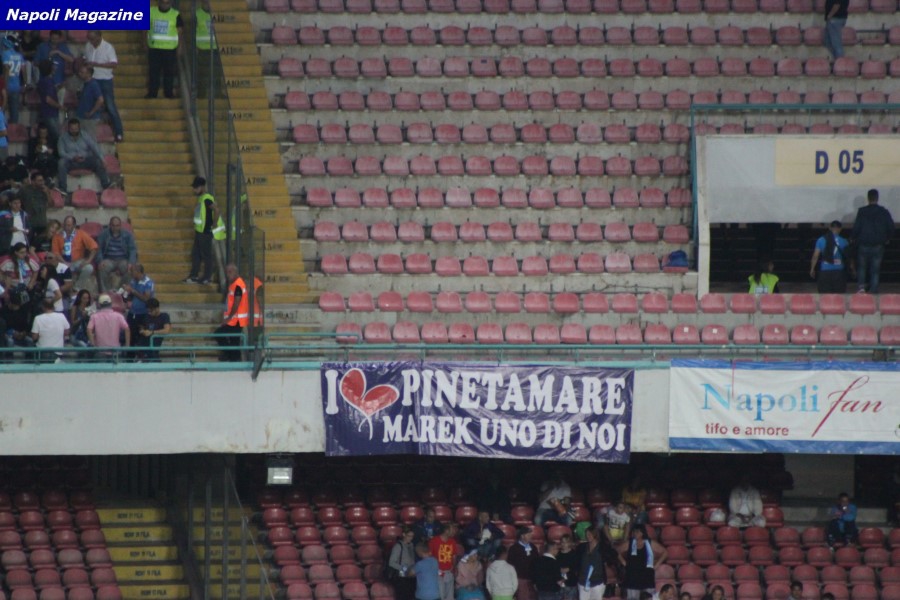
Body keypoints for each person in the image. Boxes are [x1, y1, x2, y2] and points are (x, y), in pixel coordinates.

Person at [84, 31, 124, 142]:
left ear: (99, 37)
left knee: (110, 106)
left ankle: (119, 132)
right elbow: (86, 58)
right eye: (89, 39)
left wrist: (97, 64)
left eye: (93, 39)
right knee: (89, 105)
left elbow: (114, 64)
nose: (91, 41)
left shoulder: (108, 48)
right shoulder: (88, 46)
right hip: (91, 79)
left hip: (105, 80)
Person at [852, 189, 894, 294]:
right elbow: (891, 227)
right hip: (878, 245)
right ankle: (873, 289)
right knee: (875, 269)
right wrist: (887, 238)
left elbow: (857, 227)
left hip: (863, 244)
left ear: (868, 198)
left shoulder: (862, 211)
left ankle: (861, 288)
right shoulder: (884, 212)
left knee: (862, 268)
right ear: (877, 198)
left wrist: (852, 237)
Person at [185, 176, 225, 285]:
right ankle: (194, 275)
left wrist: (214, 223)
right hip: (199, 231)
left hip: (205, 232)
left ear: (202, 187)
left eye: (196, 187)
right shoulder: (202, 198)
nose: (194, 190)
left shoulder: (207, 198)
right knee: (196, 254)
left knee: (206, 255)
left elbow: (216, 210)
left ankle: (207, 277)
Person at [57, 118, 111, 193]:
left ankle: (106, 185)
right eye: (72, 129)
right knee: (61, 163)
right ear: (68, 128)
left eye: (76, 129)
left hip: (85, 160)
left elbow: (94, 147)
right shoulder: (62, 138)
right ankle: (63, 189)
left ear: (79, 128)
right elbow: (61, 153)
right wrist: (73, 158)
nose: (74, 131)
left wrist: (102, 159)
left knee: (98, 161)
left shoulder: (85, 135)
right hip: (71, 162)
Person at [146, 0, 184, 99]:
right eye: (163, 2)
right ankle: (152, 93)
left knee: (169, 72)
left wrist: (180, 47)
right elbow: (144, 29)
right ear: (159, 3)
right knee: (154, 72)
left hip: (170, 49)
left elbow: (180, 32)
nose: (165, 5)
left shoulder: (175, 14)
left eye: (167, 3)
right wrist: (144, 42)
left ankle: (168, 93)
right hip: (154, 48)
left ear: (171, 4)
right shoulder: (151, 12)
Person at [52, 215, 98, 294]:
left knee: (89, 268)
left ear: (74, 225)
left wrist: (88, 261)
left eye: (69, 225)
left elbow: (94, 247)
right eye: (65, 225)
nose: (66, 227)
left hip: (77, 261)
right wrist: (64, 262)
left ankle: (77, 288)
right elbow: (55, 252)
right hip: (62, 262)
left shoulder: (81, 233)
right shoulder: (57, 236)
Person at [619, 525, 667, 600]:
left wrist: (656, 565)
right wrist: (623, 562)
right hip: (632, 578)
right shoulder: (630, 543)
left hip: (647, 577)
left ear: (642, 533)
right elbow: (616, 551)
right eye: (634, 532)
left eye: (637, 532)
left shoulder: (650, 543)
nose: (635, 533)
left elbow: (664, 552)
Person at [215, 264, 247, 361]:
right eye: (227, 272)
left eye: (230, 272)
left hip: (236, 320)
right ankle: (234, 358)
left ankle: (229, 355)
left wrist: (228, 319)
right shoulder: (234, 284)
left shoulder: (238, 285)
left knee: (219, 334)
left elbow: (236, 303)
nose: (228, 275)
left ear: (236, 272)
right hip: (235, 319)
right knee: (234, 341)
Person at [97, 217, 137, 292]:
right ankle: (106, 292)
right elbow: (98, 248)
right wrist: (100, 260)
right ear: (110, 225)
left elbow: (132, 249)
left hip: (123, 259)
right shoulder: (103, 234)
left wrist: (131, 262)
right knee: (102, 268)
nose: (115, 228)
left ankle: (121, 290)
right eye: (113, 225)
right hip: (109, 259)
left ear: (120, 225)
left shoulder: (127, 235)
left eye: (117, 225)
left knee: (130, 269)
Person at [809, 220, 849, 293]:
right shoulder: (844, 241)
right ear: (840, 229)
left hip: (825, 271)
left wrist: (812, 268)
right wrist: (853, 269)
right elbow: (849, 257)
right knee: (839, 295)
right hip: (839, 271)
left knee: (824, 295)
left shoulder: (821, 240)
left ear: (830, 228)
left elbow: (815, 256)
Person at [122, 263, 154, 343]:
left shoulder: (148, 282)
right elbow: (131, 296)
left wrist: (132, 290)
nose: (131, 273)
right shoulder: (133, 281)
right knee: (130, 336)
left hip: (144, 314)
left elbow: (146, 298)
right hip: (132, 313)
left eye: (132, 271)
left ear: (138, 271)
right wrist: (126, 293)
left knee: (142, 338)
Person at [428, 523, 460, 600]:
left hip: (449, 571)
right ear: (446, 530)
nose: (454, 531)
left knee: (450, 596)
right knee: (440, 595)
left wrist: (454, 567)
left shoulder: (452, 541)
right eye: (452, 529)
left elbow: (454, 556)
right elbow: (429, 556)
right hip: (438, 572)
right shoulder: (434, 541)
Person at [576, 526, 608, 600]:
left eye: (590, 534)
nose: (588, 536)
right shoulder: (582, 547)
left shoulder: (603, 547)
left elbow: (613, 556)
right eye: (586, 534)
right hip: (583, 581)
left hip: (597, 581)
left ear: (595, 534)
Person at [507, 527, 537, 600]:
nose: (530, 536)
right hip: (520, 579)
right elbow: (510, 564)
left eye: (530, 534)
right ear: (522, 536)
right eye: (528, 534)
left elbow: (537, 561)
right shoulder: (514, 548)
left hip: (532, 579)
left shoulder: (533, 547)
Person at [74, 65, 104, 137]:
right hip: (81, 116)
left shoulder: (93, 85)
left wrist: (91, 112)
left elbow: (100, 100)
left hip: (90, 119)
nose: (79, 74)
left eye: (82, 72)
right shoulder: (84, 84)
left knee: (90, 139)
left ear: (89, 74)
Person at [19, 172, 50, 243]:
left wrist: (47, 193)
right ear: (32, 181)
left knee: (41, 243)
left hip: (42, 221)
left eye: (42, 180)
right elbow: (17, 201)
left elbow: (51, 204)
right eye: (39, 181)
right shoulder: (25, 190)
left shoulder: (45, 189)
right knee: (29, 242)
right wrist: (23, 213)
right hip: (30, 222)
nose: (42, 182)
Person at [35, 60, 62, 141]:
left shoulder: (42, 81)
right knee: (57, 137)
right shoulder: (48, 81)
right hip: (50, 113)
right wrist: (60, 106)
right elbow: (48, 99)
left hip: (46, 112)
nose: (55, 68)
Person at [389, 527, 418, 600]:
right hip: (401, 577)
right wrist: (404, 568)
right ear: (404, 534)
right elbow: (391, 562)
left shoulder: (411, 545)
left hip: (411, 576)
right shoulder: (398, 546)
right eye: (409, 536)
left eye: (412, 536)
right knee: (402, 596)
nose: (411, 538)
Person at [1, 36, 24, 124]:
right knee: (14, 112)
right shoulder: (19, 55)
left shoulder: (5, 54)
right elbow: (23, 70)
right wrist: (25, 84)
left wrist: (5, 85)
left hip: (7, 86)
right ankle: (14, 128)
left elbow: (6, 69)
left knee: (2, 109)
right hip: (16, 86)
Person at [556, 535, 579, 600]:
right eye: (562, 542)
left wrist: (569, 569)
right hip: (560, 582)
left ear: (569, 543)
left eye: (565, 542)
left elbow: (577, 566)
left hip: (571, 582)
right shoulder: (558, 554)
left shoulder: (574, 554)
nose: (563, 544)